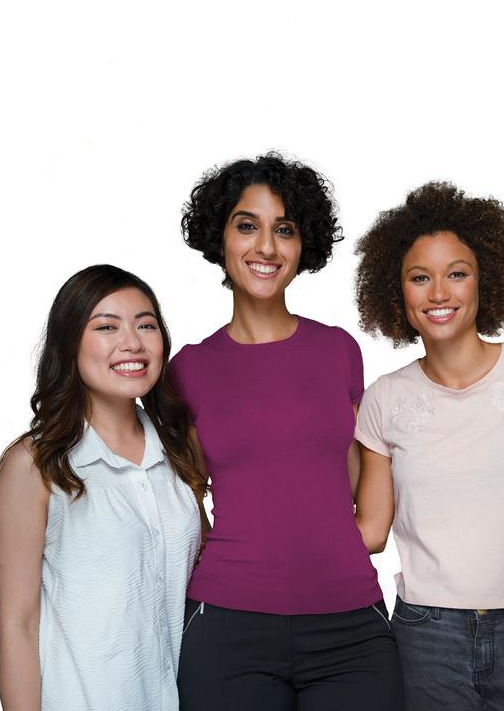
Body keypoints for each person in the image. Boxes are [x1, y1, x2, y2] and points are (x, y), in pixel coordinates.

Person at [170, 153, 404, 710]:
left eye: (285, 230)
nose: (266, 248)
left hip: (350, 625)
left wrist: (363, 533)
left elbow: (350, 478)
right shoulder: (188, 369)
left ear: (305, 245)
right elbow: (184, 493)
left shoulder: (338, 350)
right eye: (247, 226)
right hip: (229, 626)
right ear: (220, 238)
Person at [352, 182, 504, 710]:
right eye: (419, 277)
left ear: (485, 280)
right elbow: (372, 532)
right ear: (396, 291)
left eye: (457, 273)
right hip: (425, 634)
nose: (439, 293)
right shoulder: (384, 398)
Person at [0, 264, 206, 711]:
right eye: (106, 327)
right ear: (70, 345)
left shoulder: (177, 450)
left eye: (146, 325)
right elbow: (18, 623)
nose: (132, 342)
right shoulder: (35, 465)